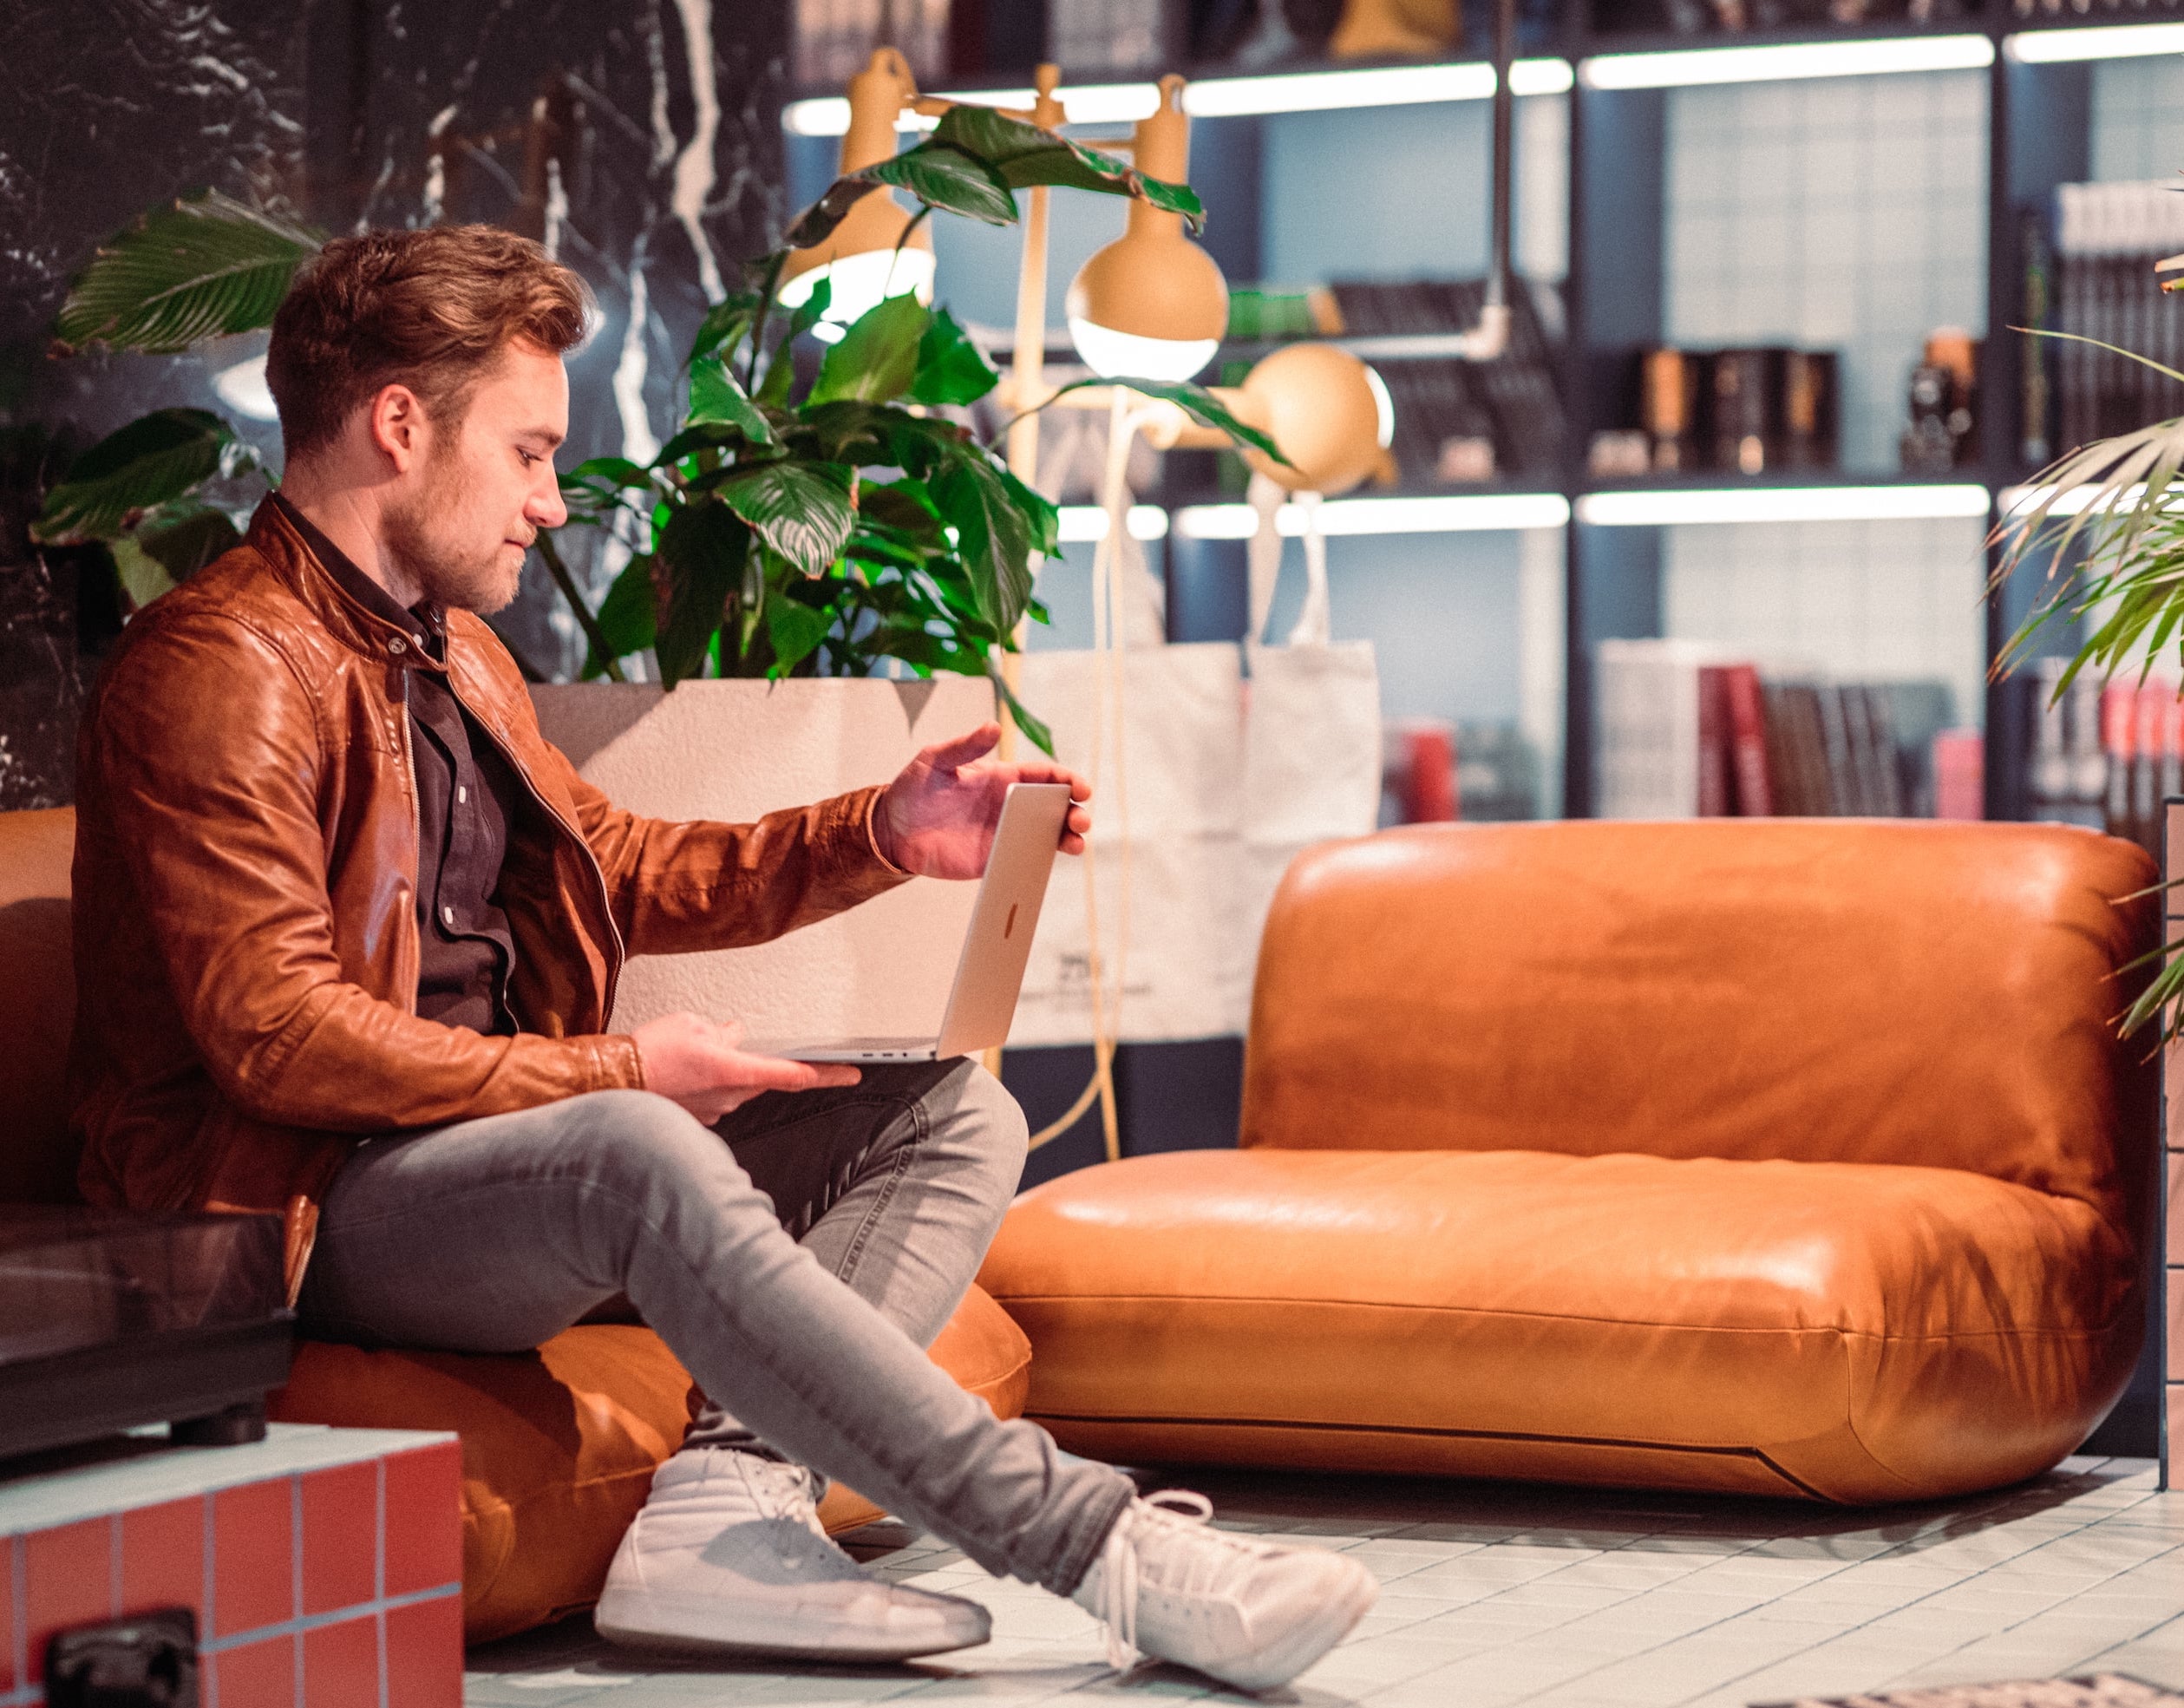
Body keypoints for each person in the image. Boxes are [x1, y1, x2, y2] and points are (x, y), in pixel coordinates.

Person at [67, 224, 1376, 1692]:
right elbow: (275, 1035)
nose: (551, 503)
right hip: (296, 1199)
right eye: (526, 452)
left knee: (953, 1111)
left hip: (475, 1155)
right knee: (629, 1141)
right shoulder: (221, 667)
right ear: (395, 425)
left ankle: (725, 1509)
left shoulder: (449, 648)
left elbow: (611, 866)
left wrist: (876, 830)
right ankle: (1105, 1550)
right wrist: (619, 1070)